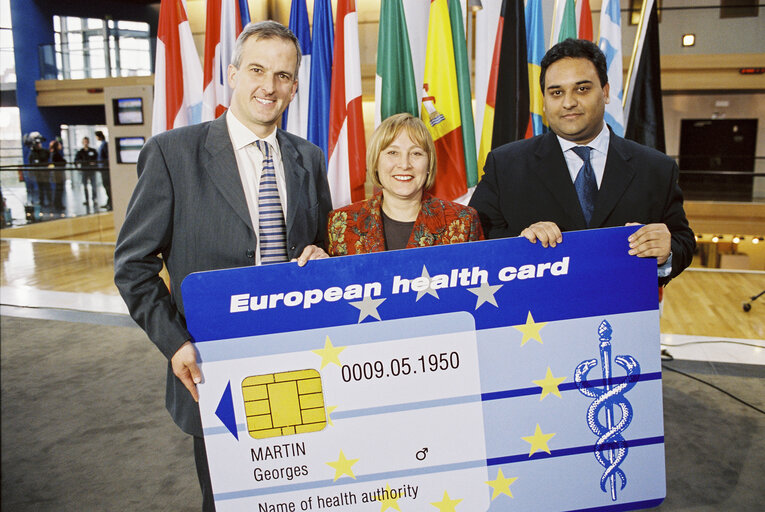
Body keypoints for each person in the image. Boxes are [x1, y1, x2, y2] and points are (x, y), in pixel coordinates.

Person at [114, 21, 331, 511]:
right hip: (214, 370)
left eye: (283, 75)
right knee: (229, 500)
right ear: (232, 74)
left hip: (296, 362)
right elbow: (133, 266)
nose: (269, 87)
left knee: (300, 493)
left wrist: (323, 257)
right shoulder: (173, 154)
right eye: (257, 70)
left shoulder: (310, 159)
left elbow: (320, 246)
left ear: (295, 86)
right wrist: (175, 344)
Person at [469, 38, 694, 286]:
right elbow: (475, 239)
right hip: (534, 319)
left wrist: (667, 250)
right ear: (543, 101)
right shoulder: (505, 165)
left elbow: (682, 239)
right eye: (556, 92)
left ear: (606, 92)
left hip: (621, 315)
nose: (568, 102)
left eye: (582, 89)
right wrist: (520, 245)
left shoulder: (656, 168)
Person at [327, 113, 483, 255]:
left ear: (429, 164)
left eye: (416, 153)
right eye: (393, 153)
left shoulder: (463, 222)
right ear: (375, 162)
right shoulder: (341, 223)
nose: (404, 164)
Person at [74, 137, 98, 212]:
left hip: (92, 171)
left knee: (93, 185)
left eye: (86, 141)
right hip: (84, 171)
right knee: (85, 186)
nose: (85, 143)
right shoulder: (80, 152)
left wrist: (94, 164)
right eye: (84, 141)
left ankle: (94, 199)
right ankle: (87, 199)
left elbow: (97, 159)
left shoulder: (93, 151)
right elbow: (76, 160)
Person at [95, 130, 112, 209]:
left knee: (107, 186)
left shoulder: (104, 144)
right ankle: (109, 202)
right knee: (106, 186)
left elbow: (107, 156)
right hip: (102, 168)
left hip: (105, 169)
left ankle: (110, 202)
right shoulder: (102, 144)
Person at [49, 139, 66, 211]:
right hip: (58, 174)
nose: (61, 146)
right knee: (59, 189)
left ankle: (58, 204)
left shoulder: (55, 153)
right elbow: (62, 162)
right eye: (59, 144)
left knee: (58, 189)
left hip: (58, 173)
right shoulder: (56, 154)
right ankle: (58, 204)